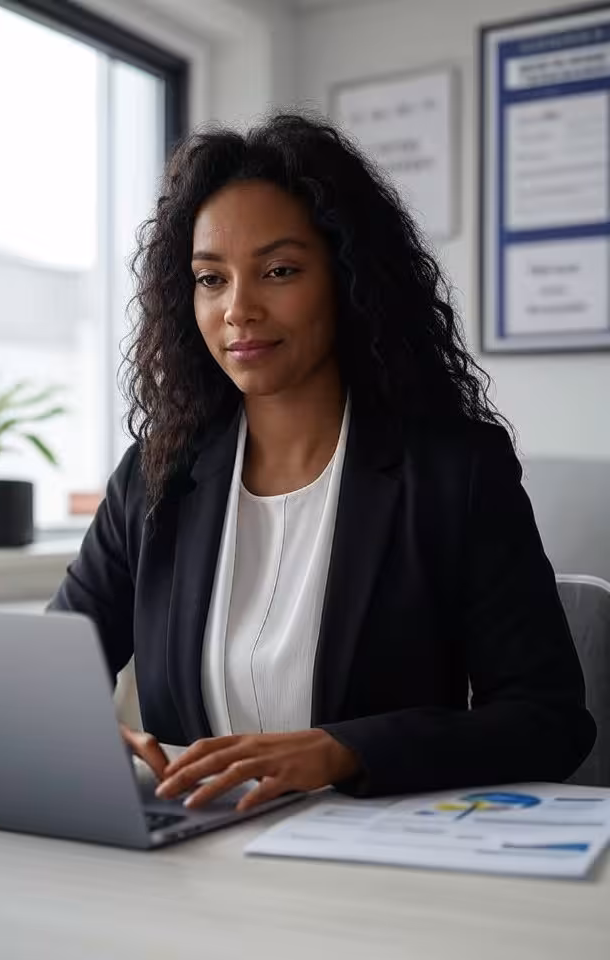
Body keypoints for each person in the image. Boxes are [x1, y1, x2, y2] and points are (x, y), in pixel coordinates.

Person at [49, 113, 595, 813]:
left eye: (279, 271)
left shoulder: (453, 473)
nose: (238, 309)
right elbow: (50, 677)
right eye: (211, 279)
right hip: (192, 857)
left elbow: (547, 721)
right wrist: (83, 735)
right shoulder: (155, 476)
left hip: (373, 864)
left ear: (346, 278)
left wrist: (344, 750)